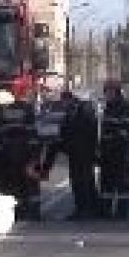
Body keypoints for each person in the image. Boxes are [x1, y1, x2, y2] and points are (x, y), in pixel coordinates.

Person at [41, 91, 100, 220]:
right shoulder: (74, 112)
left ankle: (85, 210)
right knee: (84, 181)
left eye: (64, 102)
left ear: (69, 100)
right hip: (78, 152)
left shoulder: (81, 112)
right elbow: (61, 139)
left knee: (81, 181)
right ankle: (90, 208)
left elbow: (86, 133)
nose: (63, 105)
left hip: (82, 153)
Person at [98, 80, 129, 220]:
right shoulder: (108, 107)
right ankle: (105, 210)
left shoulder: (124, 106)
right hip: (107, 151)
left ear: (116, 92)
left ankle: (122, 212)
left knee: (121, 183)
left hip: (120, 150)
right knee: (106, 182)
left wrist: (118, 129)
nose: (107, 94)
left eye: (110, 91)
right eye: (106, 91)